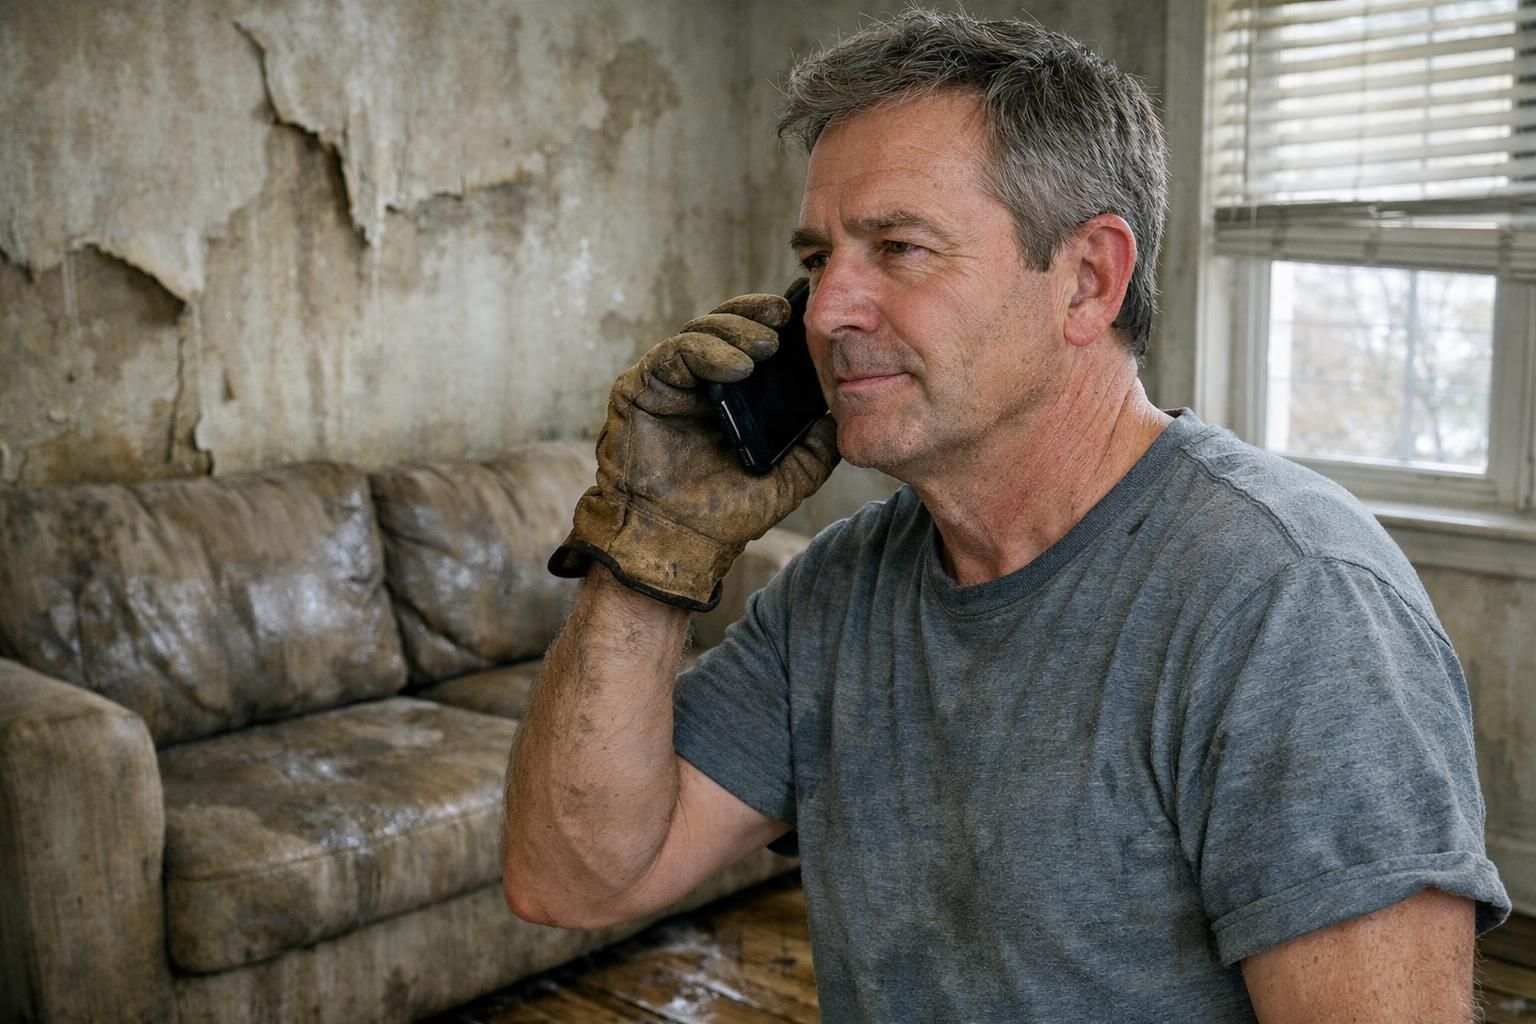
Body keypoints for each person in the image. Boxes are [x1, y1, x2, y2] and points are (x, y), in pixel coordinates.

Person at [502, 10, 1511, 1021]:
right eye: (818, 259)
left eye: (898, 247)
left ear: (1087, 281)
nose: (825, 311)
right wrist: (648, 556)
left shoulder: (1293, 604)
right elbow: (574, 879)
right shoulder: (838, 594)